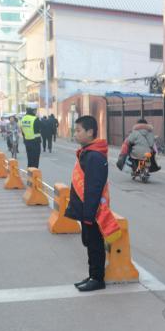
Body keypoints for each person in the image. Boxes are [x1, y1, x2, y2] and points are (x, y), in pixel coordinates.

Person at [64, 115, 110, 292]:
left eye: (78, 130)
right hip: (87, 209)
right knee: (90, 243)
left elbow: (94, 188)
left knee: (95, 244)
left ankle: (97, 278)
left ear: (90, 132)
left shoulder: (94, 157)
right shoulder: (88, 153)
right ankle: (93, 275)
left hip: (92, 211)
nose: (75, 134)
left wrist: (89, 215)